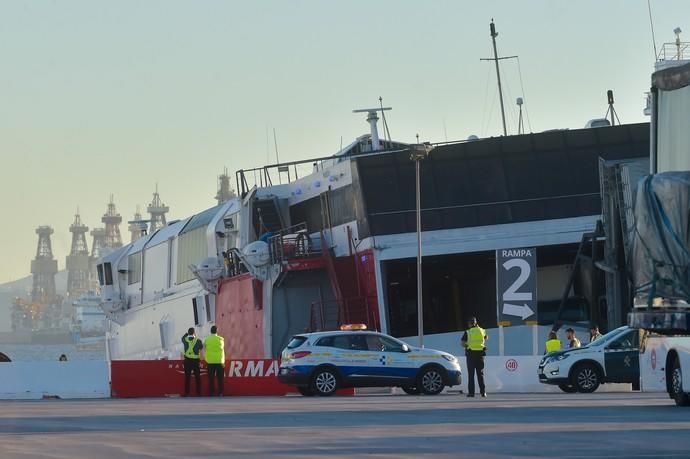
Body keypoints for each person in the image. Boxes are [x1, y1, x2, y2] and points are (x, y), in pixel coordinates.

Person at [461, 317, 487, 398]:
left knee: (471, 375)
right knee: (480, 374)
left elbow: (462, 343)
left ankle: (471, 393)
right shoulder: (482, 330)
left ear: (470, 324)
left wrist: (467, 345)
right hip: (480, 355)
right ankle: (483, 393)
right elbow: (486, 338)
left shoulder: (468, 332)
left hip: (471, 355)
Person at [204, 325, 225, 396]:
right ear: (217, 331)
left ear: (210, 331)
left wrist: (205, 358)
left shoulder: (207, 339)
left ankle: (212, 392)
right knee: (220, 378)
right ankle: (221, 392)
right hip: (219, 361)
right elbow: (222, 349)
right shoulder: (221, 339)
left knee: (211, 378)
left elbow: (204, 349)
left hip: (210, 361)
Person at [182, 327, 203, 397]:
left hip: (187, 361)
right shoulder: (198, 340)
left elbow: (183, 337)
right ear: (194, 333)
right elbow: (201, 348)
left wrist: (187, 334)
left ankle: (186, 393)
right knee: (197, 377)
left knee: (187, 377)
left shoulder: (185, 340)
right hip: (196, 361)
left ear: (188, 333)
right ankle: (198, 392)